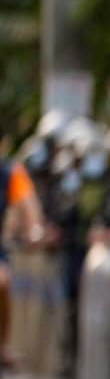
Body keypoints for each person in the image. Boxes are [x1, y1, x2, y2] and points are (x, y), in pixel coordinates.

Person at [0, 151, 47, 367]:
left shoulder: (10, 172)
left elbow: (29, 206)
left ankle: (2, 343)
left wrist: (34, 230)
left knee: (2, 280)